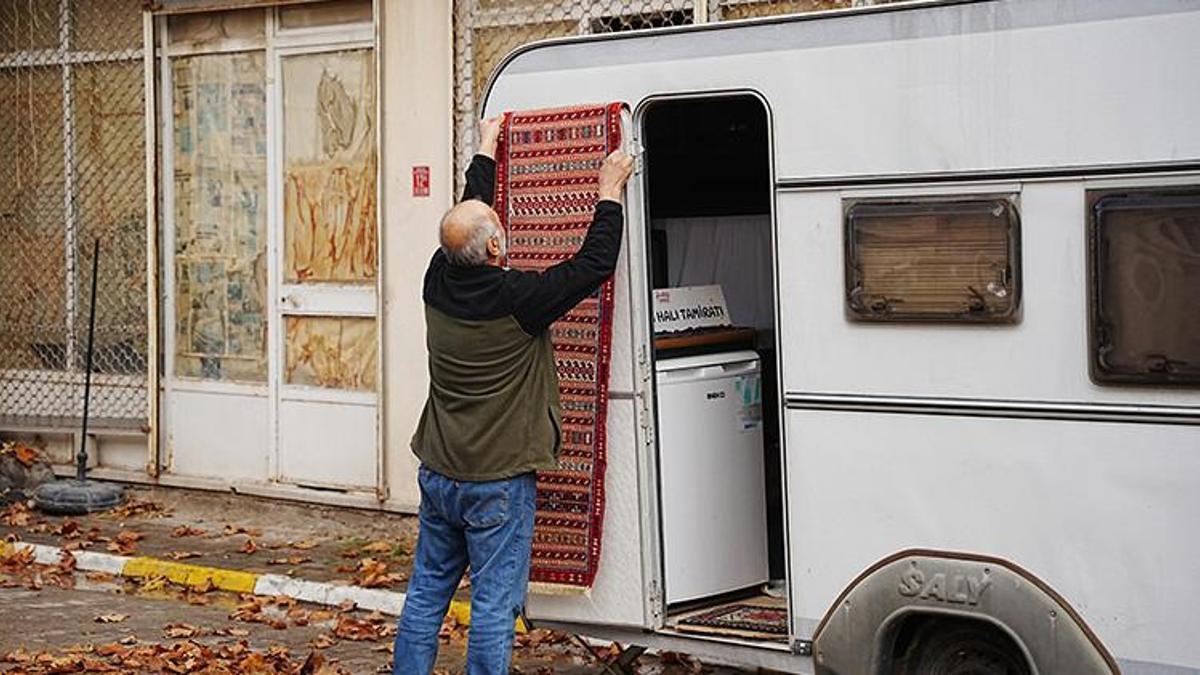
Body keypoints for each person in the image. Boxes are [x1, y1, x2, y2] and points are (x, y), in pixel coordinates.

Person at [393, 117, 635, 675]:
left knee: (428, 591)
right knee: (494, 606)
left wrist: (485, 146)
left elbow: (466, 215)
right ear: (497, 244)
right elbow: (593, 264)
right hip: (495, 481)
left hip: (439, 470)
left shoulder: (437, 278)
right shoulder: (517, 299)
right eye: (498, 226)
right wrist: (609, 191)